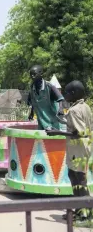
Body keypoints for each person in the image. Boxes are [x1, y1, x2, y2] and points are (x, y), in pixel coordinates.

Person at [46, 80, 92, 225]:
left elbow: (78, 133)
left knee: (79, 180)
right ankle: (80, 210)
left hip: (77, 147)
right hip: (84, 147)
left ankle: (86, 214)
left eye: (66, 92)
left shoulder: (73, 110)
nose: (64, 95)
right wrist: (63, 121)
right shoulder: (85, 107)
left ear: (73, 93)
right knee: (75, 176)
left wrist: (56, 132)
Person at [28, 65, 65, 130]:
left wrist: (61, 109)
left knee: (53, 137)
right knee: (41, 138)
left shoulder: (49, 86)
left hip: (52, 120)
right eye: (31, 74)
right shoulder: (32, 88)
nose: (32, 76)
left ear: (41, 74)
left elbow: (60, 98)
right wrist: (32, 112)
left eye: (34, 74)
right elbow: (34, 101)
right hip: (41, 120)